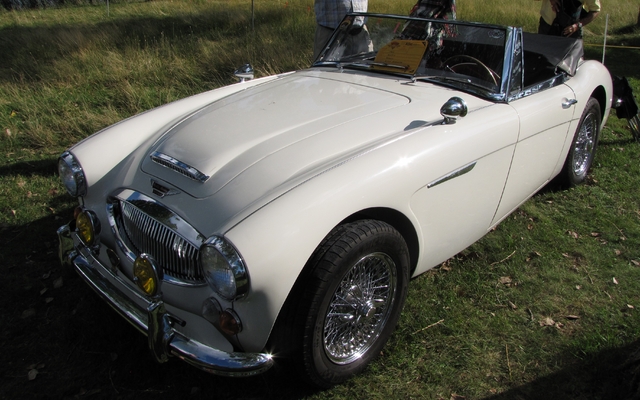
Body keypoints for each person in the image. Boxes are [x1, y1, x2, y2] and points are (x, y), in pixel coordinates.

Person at [535, 0, 600, 38]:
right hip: (547, 27)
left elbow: (595, 10)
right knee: (542, 59)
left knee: (572, 60)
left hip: (572, 31)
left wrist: (578, 25)